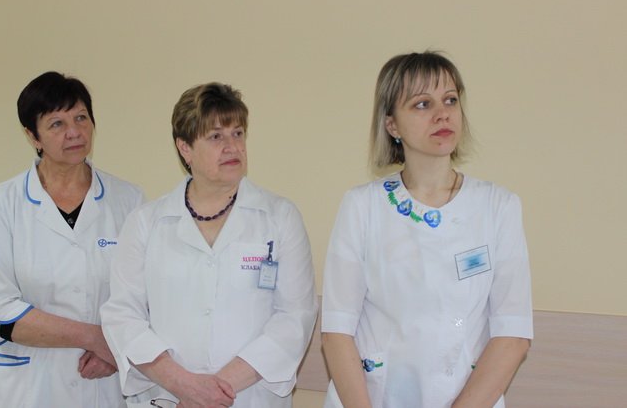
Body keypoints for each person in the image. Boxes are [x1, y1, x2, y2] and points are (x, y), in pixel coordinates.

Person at [321, 52, 533, 408]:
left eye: (450, 100)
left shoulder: (498, 206)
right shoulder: (363, 206)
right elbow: (336, 332)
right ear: (392, 125)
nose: (442, 114)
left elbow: (513, 335)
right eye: (422, 104)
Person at [101, 82, 318, 408]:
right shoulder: (146, 222)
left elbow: (294, 317)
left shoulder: (280, 217)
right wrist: (184, 385)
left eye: (238, 133)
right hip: (168, 397)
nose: (232, 147)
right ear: (185, 148)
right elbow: (123, 315)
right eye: (216, 136)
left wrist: (214, 391)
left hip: (249, 397)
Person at [0, 71, 144, 408]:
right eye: (56, 124)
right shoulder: (2, 203)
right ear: (32, 135)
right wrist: (97, 339)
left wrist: (116, 351)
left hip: (101, 383)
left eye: (81, 118)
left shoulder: (129, 201)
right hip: (27, 387)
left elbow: (143, 298)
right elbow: (0, 310)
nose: (74, 132)